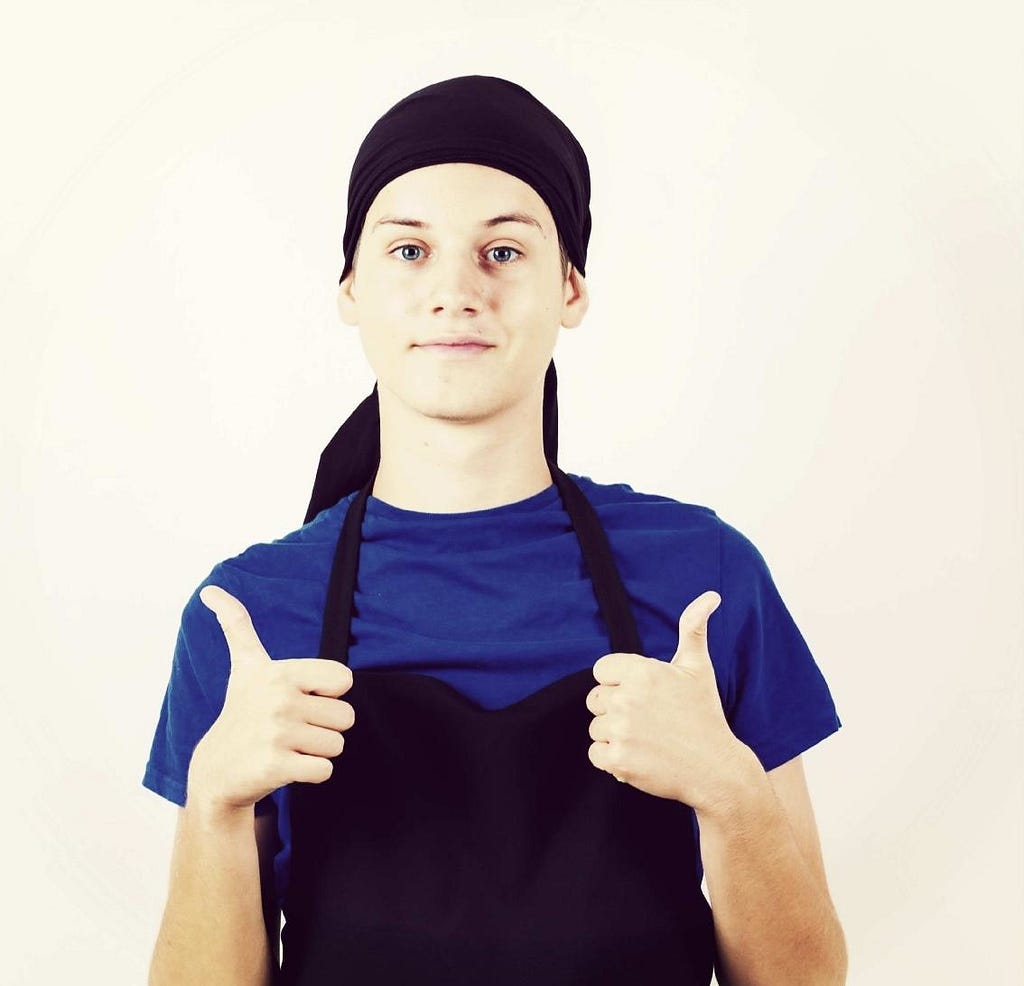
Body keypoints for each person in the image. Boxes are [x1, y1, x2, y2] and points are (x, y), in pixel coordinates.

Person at [143, 75, 848, 985]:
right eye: (408, 250)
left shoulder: (703, 582)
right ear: (351, 288)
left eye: (504, 251)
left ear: (570, 288)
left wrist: (732, 795)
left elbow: (807, 978)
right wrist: (214, 803)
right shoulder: (248, 614)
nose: (455, 292)